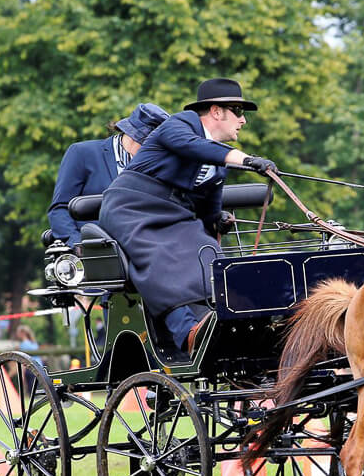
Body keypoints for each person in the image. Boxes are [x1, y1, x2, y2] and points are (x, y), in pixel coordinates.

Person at [98, 78, 277, 355]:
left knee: (209, 253)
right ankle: (189, 333)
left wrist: (216, 222)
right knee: (165, 258)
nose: (243, 121)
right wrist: (247, 160)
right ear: (217, 111)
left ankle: (225, 325)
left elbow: (209, 208)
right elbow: (194, 147)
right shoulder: (179, 126)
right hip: (131, 209)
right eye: (238, 112)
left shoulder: (218, 167)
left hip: (173, 215)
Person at [48, 103, 170, 247]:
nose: (154, 153)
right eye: (151, 147)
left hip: (146, 249)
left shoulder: (159, 165)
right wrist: (78, 244)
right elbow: (59, 209)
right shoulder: (82, 154)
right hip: (97, 251)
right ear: (132, 136)